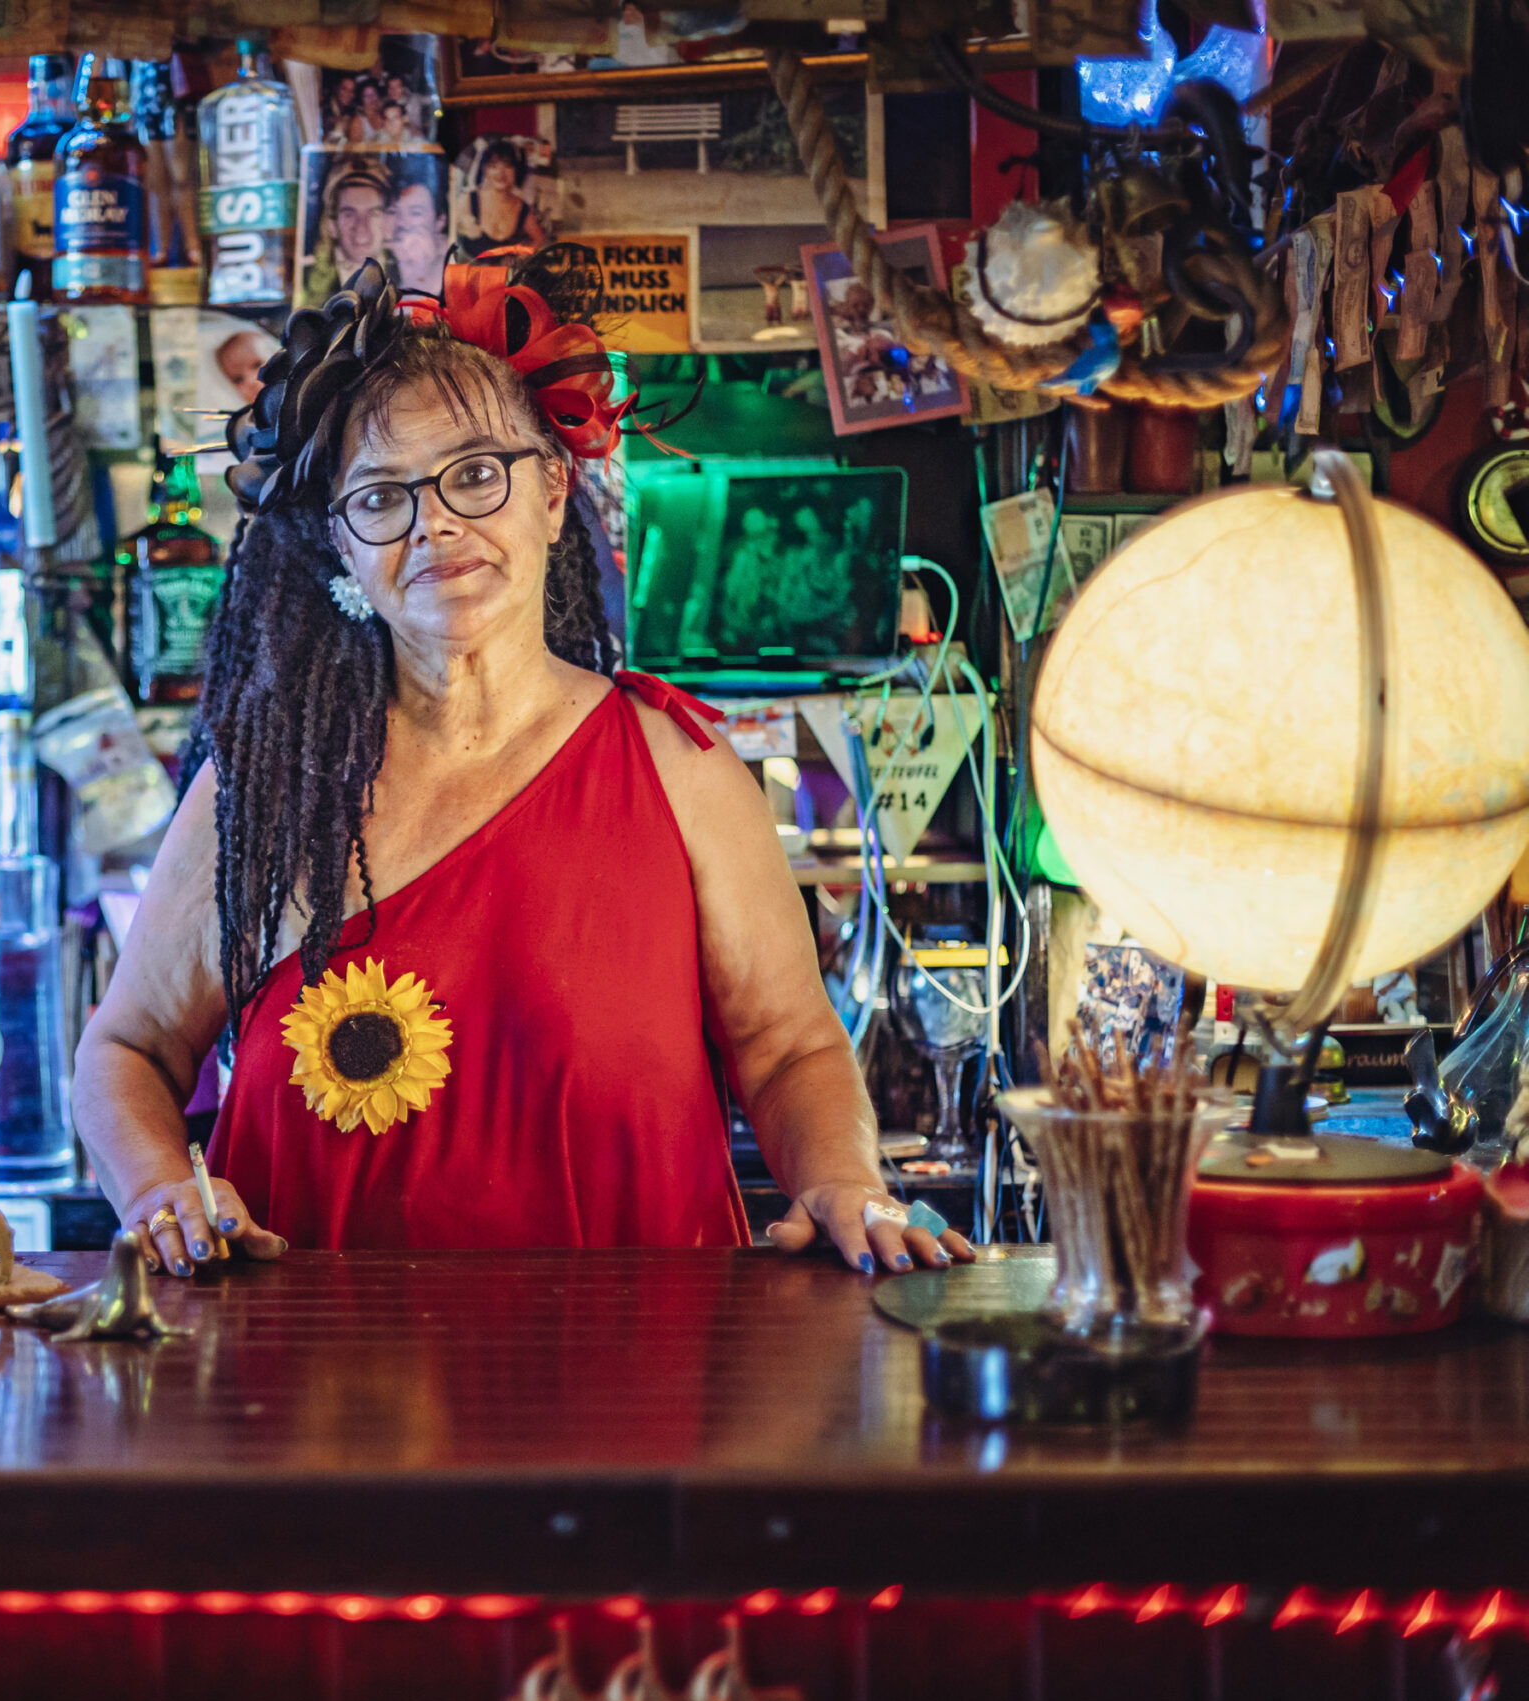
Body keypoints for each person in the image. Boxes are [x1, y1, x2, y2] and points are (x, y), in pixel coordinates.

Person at [71, 259, 972, 1279]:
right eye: (381, 496)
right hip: (307, 1395)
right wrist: (160, 1194)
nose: (434, 523)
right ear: (340, 545)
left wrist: (844, 1178)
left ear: (551, 490)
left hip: (634, 1377)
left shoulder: (678, 767)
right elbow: (126, 1053)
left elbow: (790, 1047)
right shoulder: (263, 790)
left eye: (473, 472)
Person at [301, 165, 390, 308]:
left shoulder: (408, 273)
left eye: (373, 213)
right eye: (349, 214)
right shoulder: (304, 279)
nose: (362, 227)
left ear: (388, 223)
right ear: (332, 226)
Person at [460, 142, 545, 259]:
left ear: (516, 171)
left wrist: (520, 259)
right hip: (471, 275)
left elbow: (539, 239)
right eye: (494, 166)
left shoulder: (521, 207)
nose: (501, 173)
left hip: (504, 275)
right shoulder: (469, 200)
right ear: (485, 170)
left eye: (508, 166)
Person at [386, 179, 450, 294]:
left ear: (440, 221)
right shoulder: (380, 258)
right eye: (393, 211)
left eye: (415, 213)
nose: (400, 222)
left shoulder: (453, 268)